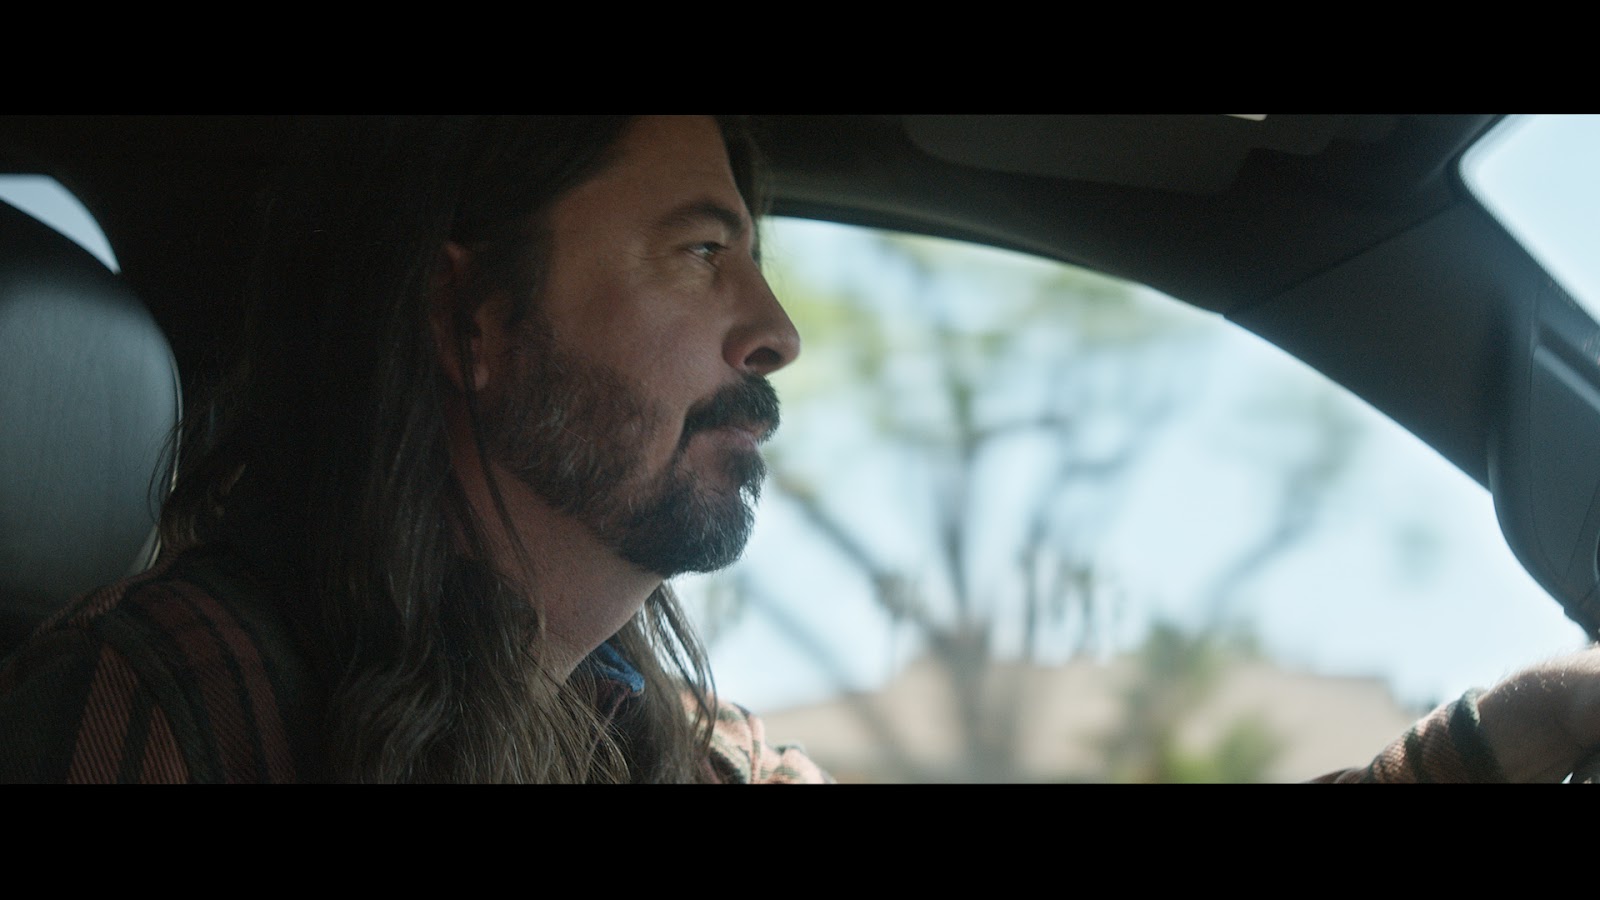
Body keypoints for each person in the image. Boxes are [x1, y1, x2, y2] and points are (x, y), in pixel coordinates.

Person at [0, 114, 1597, 783]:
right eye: (700, 255)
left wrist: (1495, 741)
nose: (775, 331)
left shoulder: (649, 742)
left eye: (753, 258)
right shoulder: (186, 696)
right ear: (471, 318)